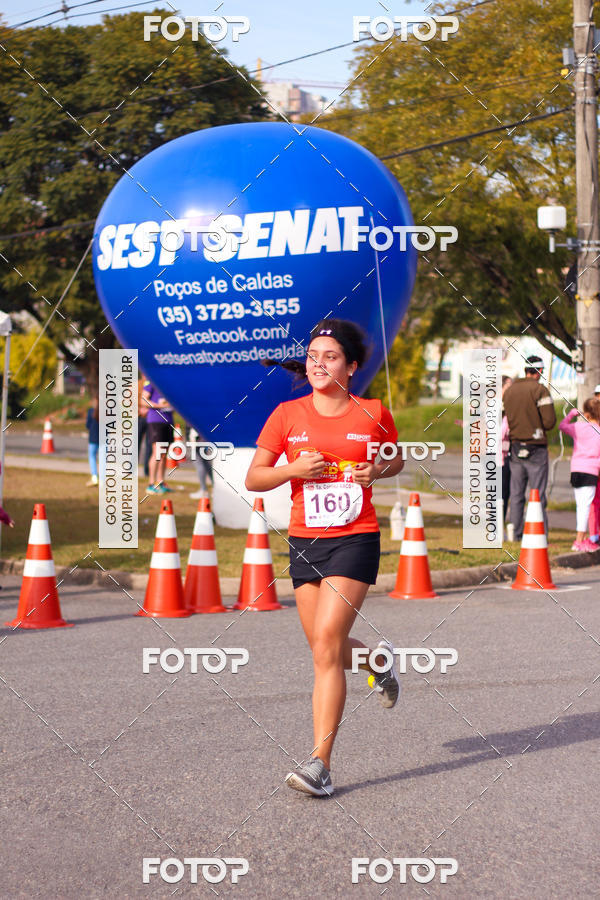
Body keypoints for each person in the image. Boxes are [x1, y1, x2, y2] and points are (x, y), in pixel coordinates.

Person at [245, 319, 405, 797]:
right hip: (304, 539)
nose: (319, 363)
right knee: (323, 647)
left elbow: (396, 458)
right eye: (313, 355)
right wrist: (293, 469)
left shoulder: (372, 411)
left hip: (355, 538)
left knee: (329, 642)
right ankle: (378, 660)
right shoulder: (286, 414)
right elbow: (255, 478)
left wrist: (375, 469)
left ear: (352, 366)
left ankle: (320, 764)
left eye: (330, 356)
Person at [503, 356, 556, 540]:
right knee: (537, 494)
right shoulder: (540, 390)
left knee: (516, 494)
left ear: (526, 369)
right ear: (539, 371)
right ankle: (539, 533)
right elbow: (549, 422)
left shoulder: (509, 392)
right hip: (537, 448)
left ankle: (515, 534)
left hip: (515, 447)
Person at [559, 398, 600, 551]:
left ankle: (581, 539)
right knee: (585, 507)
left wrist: (571, 414)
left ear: (586, 413)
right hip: (591, 471)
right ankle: (579, 541)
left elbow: (562, 426)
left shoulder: (578, 427)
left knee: (580, 506)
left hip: (576, 470)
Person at [142, 380, 174, 495]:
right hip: (156, 420)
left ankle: (160, 482)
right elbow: (143, 400)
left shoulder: (170, 384)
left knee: (164, 454)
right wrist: (160, 405)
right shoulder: (152, 381)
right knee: (157, 452)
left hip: (168, 420)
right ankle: (151, 484)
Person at [500, 375, 513, 524]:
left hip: (507, 452)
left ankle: (499, 522)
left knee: (505, 490)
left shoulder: (509, 403)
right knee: (500, 490)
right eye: (508, 385)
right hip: (495, 453)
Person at [188, 425, 213, 499]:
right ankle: (214, 488)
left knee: (199, 463)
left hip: (197, 438)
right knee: (205, 463)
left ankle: (204, 490)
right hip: (202, 437)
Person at [85, 395, 100, 487]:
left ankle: (94, 477)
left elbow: (87, 425)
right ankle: (104, 479)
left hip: (93, 439)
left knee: (92, 457)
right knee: (104, 459)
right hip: (104, 439)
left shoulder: (91, 411)